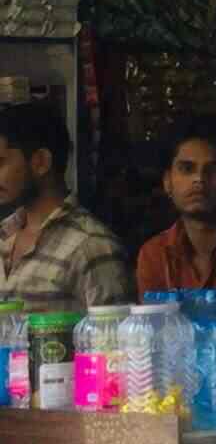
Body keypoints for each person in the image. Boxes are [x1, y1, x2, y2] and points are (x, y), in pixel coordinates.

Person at [0, 98, 133, 310]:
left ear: (41, 162)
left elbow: (114, 330)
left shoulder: (91, 246)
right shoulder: (5, 235)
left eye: (0, 162)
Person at [136, 115, 216, 295]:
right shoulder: (155, 254)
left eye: (215, 169)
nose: (199, 179)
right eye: (187, 169)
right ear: (167, 181)